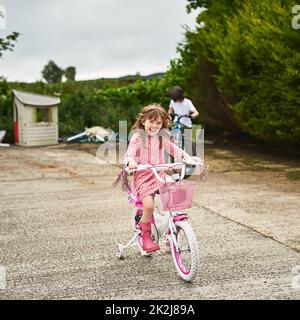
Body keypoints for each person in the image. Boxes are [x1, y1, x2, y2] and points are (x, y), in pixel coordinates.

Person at [121, 104, 195, 253]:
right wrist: (131, 162)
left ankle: (171, 233)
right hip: (143, 176)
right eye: (151, 121)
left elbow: (175, 149)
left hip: (160, 174)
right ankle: (146, 237)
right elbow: (128, 154)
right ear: (143, 121)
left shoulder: (162, 137)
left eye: (158, 123)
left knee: (176, 196)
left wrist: (187, 157)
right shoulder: (137, 138)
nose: (154, 125)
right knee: (148, 205)